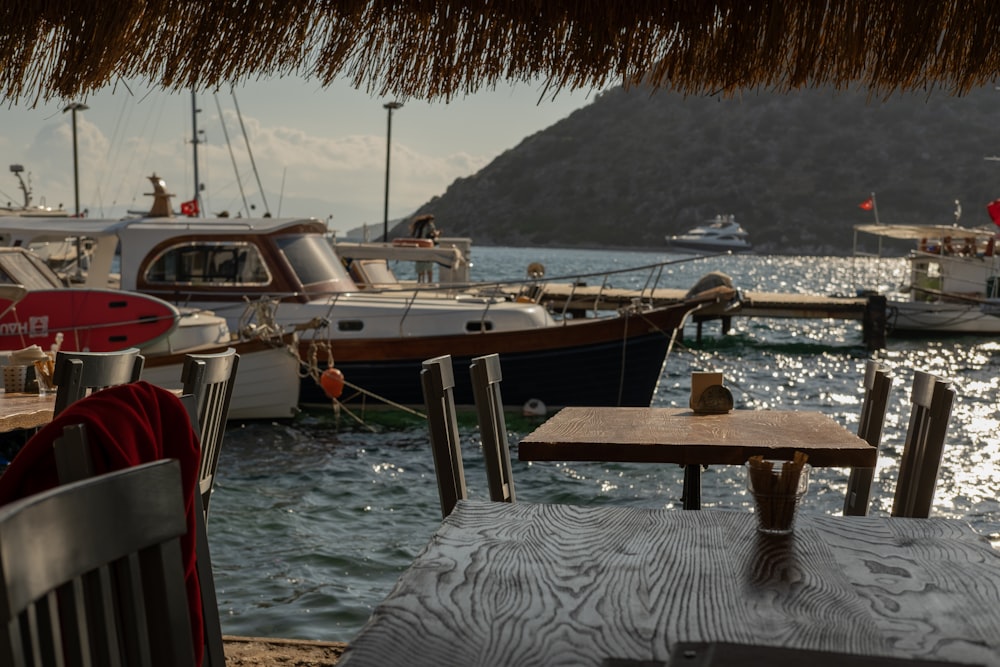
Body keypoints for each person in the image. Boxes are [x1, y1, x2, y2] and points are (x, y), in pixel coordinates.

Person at [409, 214, 440, 282]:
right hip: (427, 246)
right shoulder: (430, 225)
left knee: (420, 266)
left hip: (419, 247)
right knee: (429, 267)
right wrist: (438, 233)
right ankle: (429, 282)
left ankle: (420, 282)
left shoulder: (419, 225)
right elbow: (434, 233)